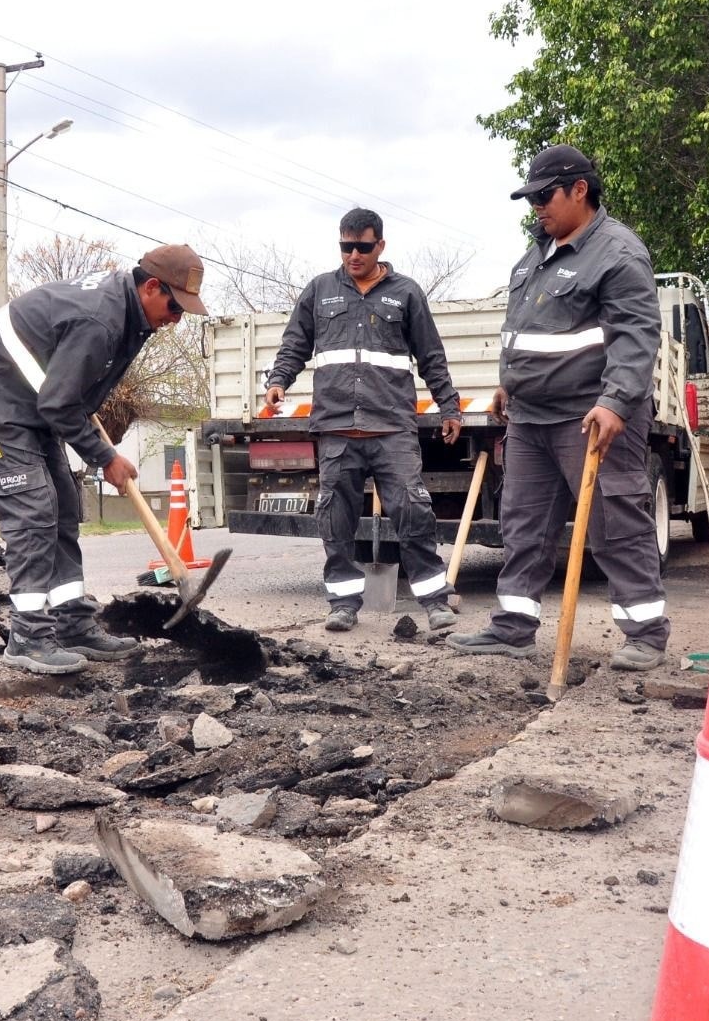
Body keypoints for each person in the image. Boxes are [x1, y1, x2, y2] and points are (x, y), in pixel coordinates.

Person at [448, 145, 670, 670]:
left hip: (590, 417)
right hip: (529, 416)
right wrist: (510, 384)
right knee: (522, 523)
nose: (536, 208)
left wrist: (615, 402)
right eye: (530, 199)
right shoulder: (535, 256)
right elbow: (528, 333)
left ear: (579, 190)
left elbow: (637, 336)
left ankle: (645, 633)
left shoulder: (618, 252)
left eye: (543, 196)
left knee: (615, 523)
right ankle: (513, 627)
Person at [0, 244, 209, 675]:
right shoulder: (100, 319)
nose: (176, 319)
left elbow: (67, 392)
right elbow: (59, 403)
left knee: (64, 507)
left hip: (30, 406)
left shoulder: (128, 313)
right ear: (152, 287)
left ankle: (73, 625)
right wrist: (106, 458)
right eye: (175, 307)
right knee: (33, 511)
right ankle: (28, 635)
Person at [264, 208, 462, 633]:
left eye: (363, 247)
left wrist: (449, 406)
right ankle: (343, 603)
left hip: (391, 425)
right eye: (346, 246)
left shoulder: (406, 293)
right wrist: (279, 380)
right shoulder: (320, 290)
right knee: (335, 518)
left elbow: (431, 356)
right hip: (336, 426)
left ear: (380, 247)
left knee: (412, 512)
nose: (353, 254)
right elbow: (295, 343)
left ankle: (434, 601)